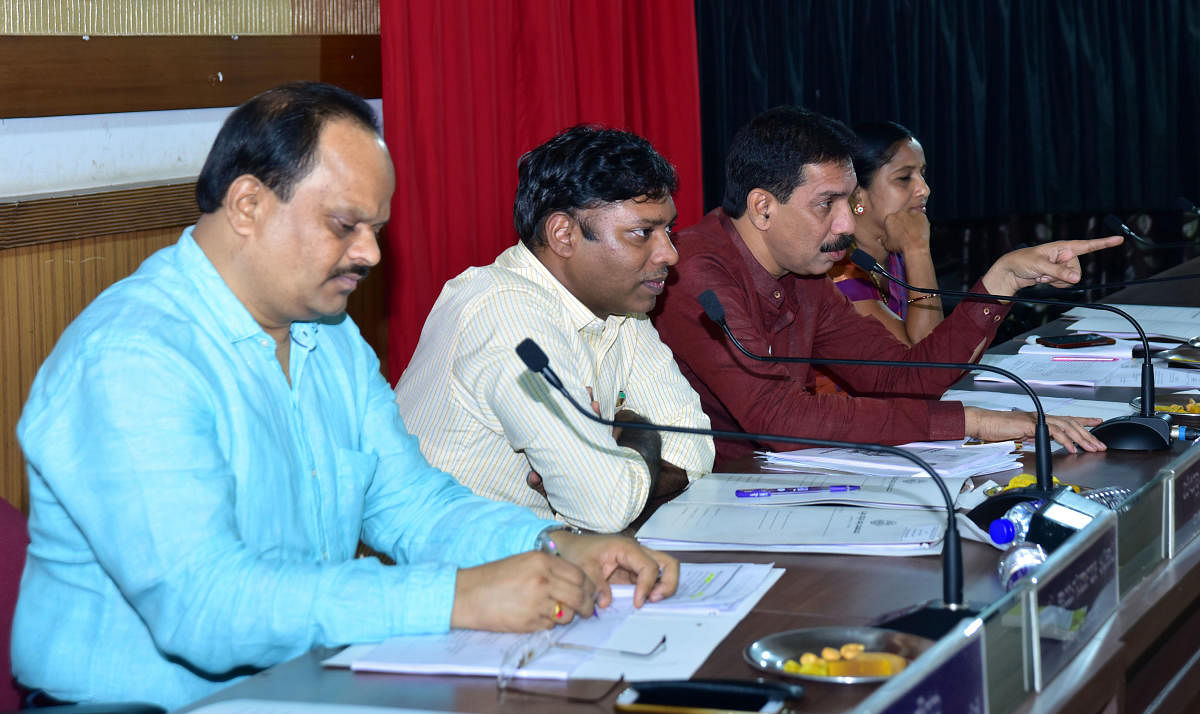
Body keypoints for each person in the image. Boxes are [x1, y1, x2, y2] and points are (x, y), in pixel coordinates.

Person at [12, 83, 678, 711]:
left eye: (376, 228)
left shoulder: (326, 336)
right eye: (344, 225)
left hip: (296, 696)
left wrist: (555, 544)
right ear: (248, 206)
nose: (371, 254)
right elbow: (204, 605)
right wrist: (453, 597)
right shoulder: (133, 358)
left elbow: (413, 506)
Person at [652, 106, 1120, 464]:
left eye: (849, 202)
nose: (846, 225)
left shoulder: (804, 268)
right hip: (719, 501)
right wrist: (972, 422)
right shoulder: (696, 271)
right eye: (826, 204)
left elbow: (903, 377)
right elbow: (779, 419)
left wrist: (1002, 280)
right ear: (762, 207)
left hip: (785, 480)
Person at [394, 125, 714, 533]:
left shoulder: (620, 310)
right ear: (564, 234)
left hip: (539, 563)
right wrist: (645, 437)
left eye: (667, 231)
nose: (669, 253)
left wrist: (618, 466)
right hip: (445, 576)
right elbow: (604, 507)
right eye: (642, 233)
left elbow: (696, 452)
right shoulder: (505, 313)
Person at [830, 121, 943, 345]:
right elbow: (928, 359)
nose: (924, 189)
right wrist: (918, 250)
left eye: (922, 174)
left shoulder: (895, 253)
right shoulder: (838, 272)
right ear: (857, 195)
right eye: (904, 178)